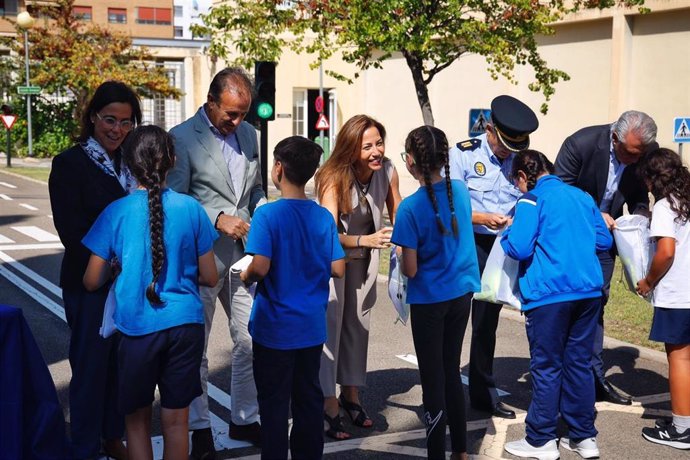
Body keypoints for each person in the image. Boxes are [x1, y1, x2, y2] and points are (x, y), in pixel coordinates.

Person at [82, 125, 219, 459]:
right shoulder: (192, 209)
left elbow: (90, 280)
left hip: (137, 330)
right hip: (185, 326)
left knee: (137, 423)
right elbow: (211, 276)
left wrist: (119, 266)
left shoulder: (115, 212)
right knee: (176, 422)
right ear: (172, 159)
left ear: (128, 165)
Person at [167, 67, 266, 457]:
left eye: (243, 113)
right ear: (211, 102)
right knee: (197, 347)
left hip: (243, 255)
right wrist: (215, 218)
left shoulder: (250, 135)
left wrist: (264, 216)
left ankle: (244, 418)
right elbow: (175, 197)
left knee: (250, 338)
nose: (237, 121)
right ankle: (199, 427)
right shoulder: (181, 138)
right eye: (231, 113)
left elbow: (255, 189)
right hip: (202, 255)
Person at [49, 80, 141, 460]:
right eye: (110, 120)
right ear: (92, 118)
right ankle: (85, 444)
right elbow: (71, 230)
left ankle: (111, 435)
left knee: (121, 364)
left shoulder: (132, 162)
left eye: (126, 122)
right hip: (89, 281)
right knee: (89, 366)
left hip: (129, 282)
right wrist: (115, 260)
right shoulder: (70, 163)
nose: (117, 130)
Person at [502, 150, 613, 460]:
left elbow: (519, 247)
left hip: (549, 294)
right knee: (578, 363)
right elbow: (603, 241)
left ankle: (541, 439)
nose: (518, 188)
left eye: (517, 182)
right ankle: (583, 438)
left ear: (523, 177)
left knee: (547, 366)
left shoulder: (531, 200)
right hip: (588, 291)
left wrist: (507, 232)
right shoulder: (582, 196)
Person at [240, 136, 346, 459]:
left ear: (278, 168)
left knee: (273, 406)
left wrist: (245, 275)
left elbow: (259, 266)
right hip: (310, 328)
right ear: (312, 174)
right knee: (308, 401)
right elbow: (338, 268)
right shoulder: (322, 217)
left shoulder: (267, 216)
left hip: (274, 330)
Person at [554, 110, 658, 406]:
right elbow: (559, 190)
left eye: (641, 154)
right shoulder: (581, 143)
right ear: (615, 138)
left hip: (605, 245)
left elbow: (640, 196)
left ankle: (594, 379)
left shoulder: (642, 152)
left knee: (597, 304)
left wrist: (639, 220)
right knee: (565, 307)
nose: (636, 160)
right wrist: (595, 213)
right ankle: (559, 377)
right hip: (571, 239)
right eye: (630, 153)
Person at [392, 126, 480, 460]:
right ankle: (460, 450)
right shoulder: (460, 190)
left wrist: (400, 254)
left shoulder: (410, 209)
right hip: (462, 291)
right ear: (445, 159)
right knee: (451, 370)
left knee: (432, 378)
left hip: (430, 299)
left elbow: (411, 269)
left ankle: (435, 453)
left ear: (410, 161)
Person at [448, 94, 539, 419]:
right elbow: (451, 206)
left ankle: (483, 392)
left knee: (487, 323)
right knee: (454, 317)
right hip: (469, 244)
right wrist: (483, 218)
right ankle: (443, 387)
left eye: (514, 148)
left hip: (503, 248)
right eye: (502, 144)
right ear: (489, 128)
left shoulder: (520, 159)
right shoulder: (461, 155)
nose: (507, 153)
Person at [314, 114, 402, 439]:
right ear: (351, 149)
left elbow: (400, 212)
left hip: (365, 260)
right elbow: (325, 232)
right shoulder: (332, 175)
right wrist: (364, 240)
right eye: (368, 146)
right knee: (331, 328)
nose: (376, 151)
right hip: (334, 260)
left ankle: (350, 395)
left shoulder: (388, 171)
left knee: (358, 325)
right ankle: (327, 402)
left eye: (379, 143)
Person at [635, 148, 690, 450]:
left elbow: (666, 251)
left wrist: (648, 281)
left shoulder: (667, 206)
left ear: (654, 179)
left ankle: (682, 429)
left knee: (680, 358)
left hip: (679, 294)